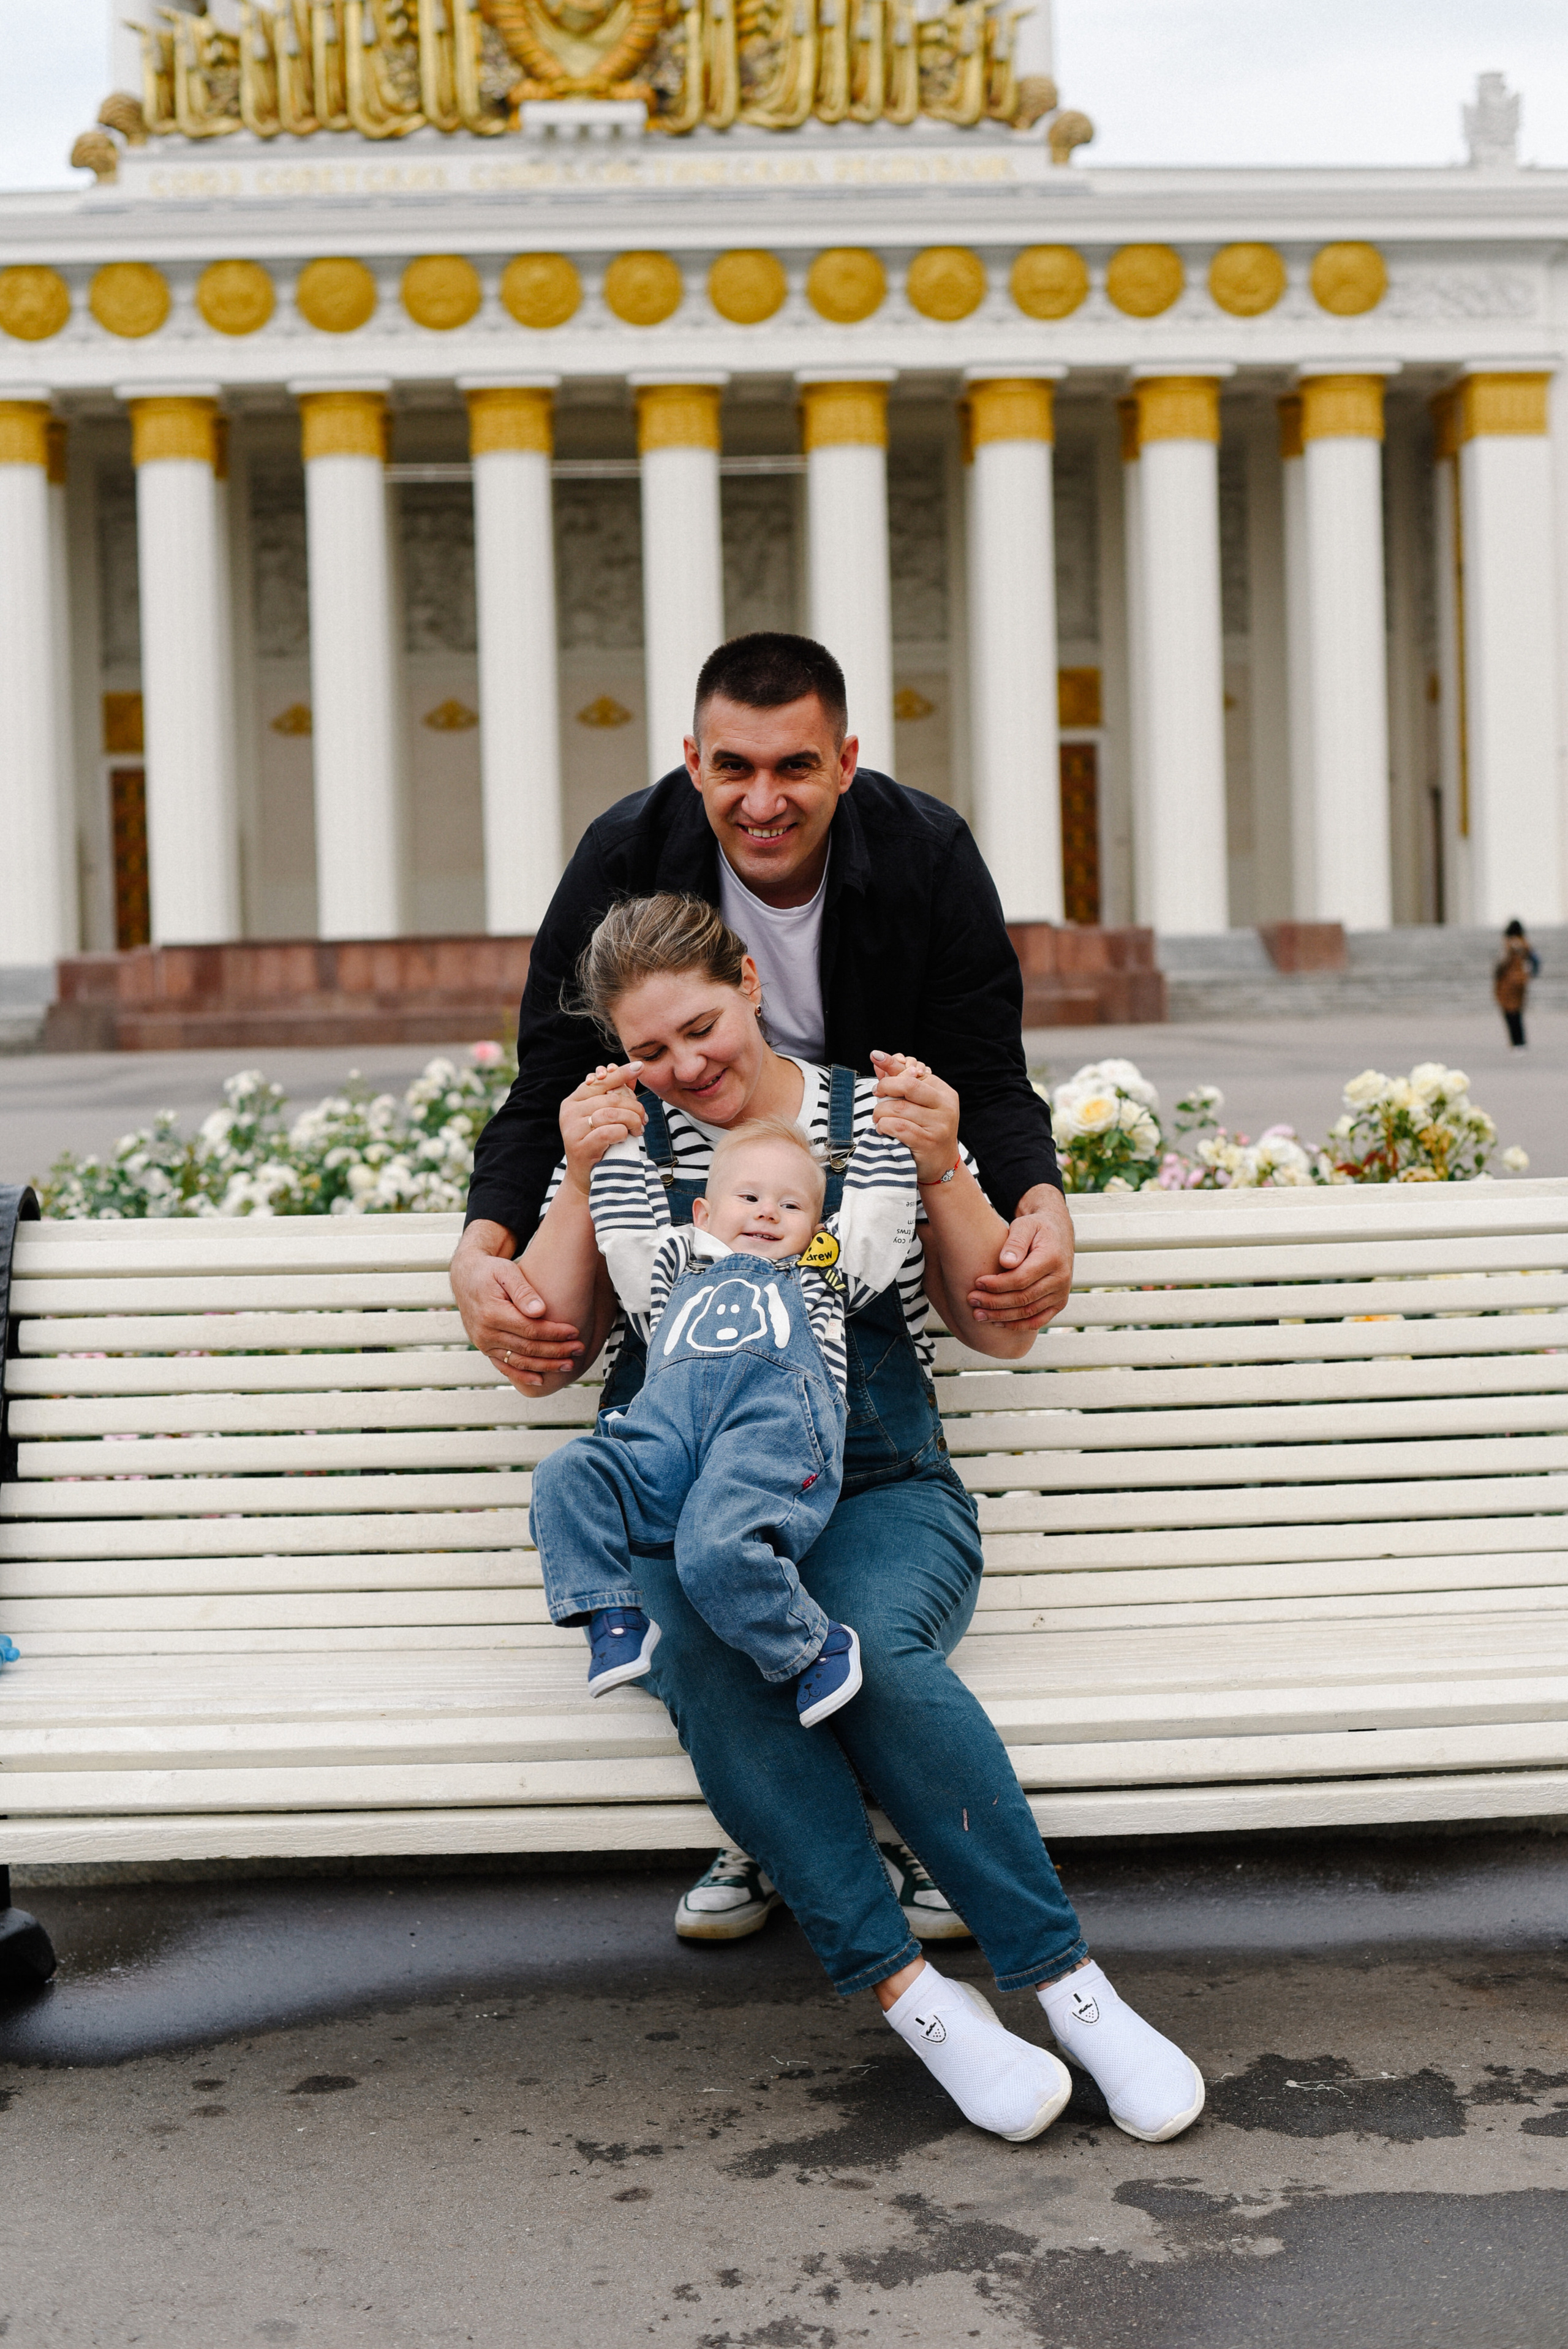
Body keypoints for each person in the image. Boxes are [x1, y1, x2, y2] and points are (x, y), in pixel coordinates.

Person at [510, 893, 1207, 2149]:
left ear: (748, 980)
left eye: (702, 1026)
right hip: (679, 1510)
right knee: (716, 1668)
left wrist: (943, 1163)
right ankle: (920, 2005)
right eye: (651, 1049)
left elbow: (1000, 1321)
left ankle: (1070, 1989)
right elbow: (544, 1359)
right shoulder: (620, 1143)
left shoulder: (867, 1121)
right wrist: (573, 1175)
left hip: (879, 1487)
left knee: (869, 1655)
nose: (685, 1068)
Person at [452, 629, 1074, 1946]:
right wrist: (484, 1239)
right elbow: (546, 1091)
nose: (763, 798)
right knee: (708, 1598)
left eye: (796, 765)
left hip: (860, 1346)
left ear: (845, 761)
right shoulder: (629, 867)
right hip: (689, 1419)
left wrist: (1030, 1199)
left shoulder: (920, 859)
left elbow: (980, 1074)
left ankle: (801, 1840)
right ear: (691, 763)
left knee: (823, 1612)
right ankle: (809, 1841)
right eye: (731, 768)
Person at [529, 1055, 925, 1723]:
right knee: (566, 1475)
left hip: (768, 1435)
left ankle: (813, 1648)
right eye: (750, 1198)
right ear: (705, 1213)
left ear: (817, 1226)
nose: (769, 1213)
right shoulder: (670, 1267)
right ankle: (613, 1617)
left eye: (792, 1204)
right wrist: (616, 1131)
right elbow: (625, 1229)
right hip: (664, 1436)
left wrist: (890, 1125)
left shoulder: (822, 1273)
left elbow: (878, 1216)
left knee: (711, 1548)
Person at [1494, 920, 1539, 1051]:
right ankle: (1521, 1041)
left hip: (1507, 983)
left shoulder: (1509, 945)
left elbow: (1502, 963)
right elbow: (1534, 960)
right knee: (1518, 1012)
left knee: (1509, 1012)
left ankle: (1516, 1042)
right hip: (1521, 981)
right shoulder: (1525, 944)